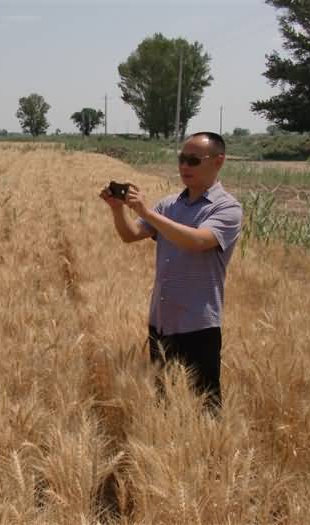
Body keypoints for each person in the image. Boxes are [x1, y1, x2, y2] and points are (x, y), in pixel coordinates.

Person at [99, 132, 242, 412]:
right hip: (162, 320)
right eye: (181, 159)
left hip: (198, 324)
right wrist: (118, 210)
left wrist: (147, 212)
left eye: (193, 160)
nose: (184, 166)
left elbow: (197, 241)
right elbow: (130, 235)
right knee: (163, 404)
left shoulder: (228, 208)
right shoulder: (169, 205)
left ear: (218, 162)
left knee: (205, 408)